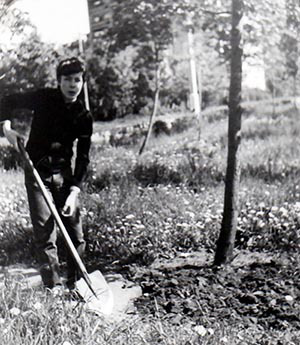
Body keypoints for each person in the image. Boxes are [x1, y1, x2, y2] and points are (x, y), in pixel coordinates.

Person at [0, 57, 93, 293]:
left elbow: (82, 157)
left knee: (76, 233)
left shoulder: (83, 116)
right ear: (59, 81)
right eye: (67, 80)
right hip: (36, 171)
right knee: (45, 234)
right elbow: (7, 101)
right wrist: (6, 129)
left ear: (82, 81)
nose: (73, 85)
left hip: (65, 177)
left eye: (77, 80)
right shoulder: (44, 98)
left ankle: (78, 286)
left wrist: (74, 192)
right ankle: (53, 287)